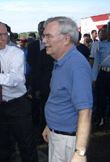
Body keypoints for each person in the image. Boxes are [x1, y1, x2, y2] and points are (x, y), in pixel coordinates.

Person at [0, 20, 38, 162]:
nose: (4, 38)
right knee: (1, 146)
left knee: (26, 146)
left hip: (18, 106)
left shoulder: (16, 53)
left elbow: (15, 79)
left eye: (5, 34)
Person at [42, 17, 93, 162]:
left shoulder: (76, 65)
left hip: (68, 141)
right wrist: (50, 125)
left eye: (49, 36)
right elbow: (60, 98)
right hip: (58, 135)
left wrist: (80, 152)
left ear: (66, 39)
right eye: (44, 36)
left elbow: (86, 111)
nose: (44, 40)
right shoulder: (61, 61)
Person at [92, 23, 110, 129]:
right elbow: (96, 62)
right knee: (101, 97)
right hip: (103, 73)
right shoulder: (100, 45)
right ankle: (101, 118)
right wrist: (94, 77)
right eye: (107, 29)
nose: (107, 32)